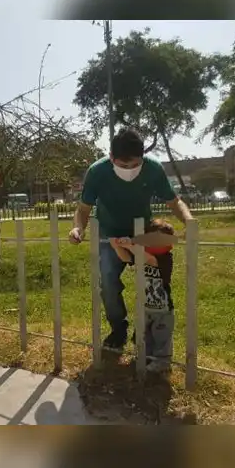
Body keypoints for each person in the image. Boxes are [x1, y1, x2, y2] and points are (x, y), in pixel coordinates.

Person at [67, 127, 194, 350]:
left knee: (152, 282)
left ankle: (145, 329)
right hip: (110, 235)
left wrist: (189, 221)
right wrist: (78, 229)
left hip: (143, 233)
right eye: (123, 166)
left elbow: (174, 202)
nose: (130, 170)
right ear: (111, 157)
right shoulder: (97, 172)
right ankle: (118, 330)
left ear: (142, 157)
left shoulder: (153, 168)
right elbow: (83, 209)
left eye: (135, 165)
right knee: (107, 282)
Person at [108, 219, 176, 372]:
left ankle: (162, 362)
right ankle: (147, 357)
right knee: (145, 334)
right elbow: (126, 258)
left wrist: (131, 246)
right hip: (144, 306)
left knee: (161, 336)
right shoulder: (141, 253)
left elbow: (151, 260)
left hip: (162, 308)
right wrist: (117, 246)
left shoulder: (166, 257)